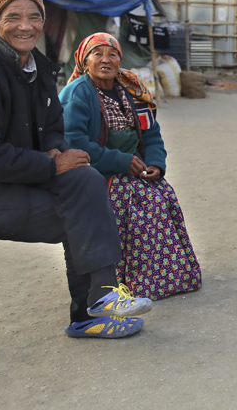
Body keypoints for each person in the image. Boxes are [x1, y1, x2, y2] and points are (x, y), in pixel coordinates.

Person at [0, 0, 152, 339]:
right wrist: (51, 163)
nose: (25, 26)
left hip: (6, 181)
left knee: (86, 180)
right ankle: (89, 315)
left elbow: (52, 128)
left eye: (33, 17)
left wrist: (55, 151)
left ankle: (102, 298)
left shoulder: (35, 68)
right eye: (13, 17)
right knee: (78, 217)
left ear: (43, 22)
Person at [59, 33, 201, 300]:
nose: (105, 60)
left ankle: (168, 275)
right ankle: (132, 281)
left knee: (162, 195)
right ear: (84, 61)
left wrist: (156, 164)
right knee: (137, 205)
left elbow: (151, 135)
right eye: (97, 54)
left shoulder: (131, 91)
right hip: (96, 175)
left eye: (112, 54)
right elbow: (73, 144)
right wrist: (121, 161)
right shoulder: (77, 94)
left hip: (134, 169)